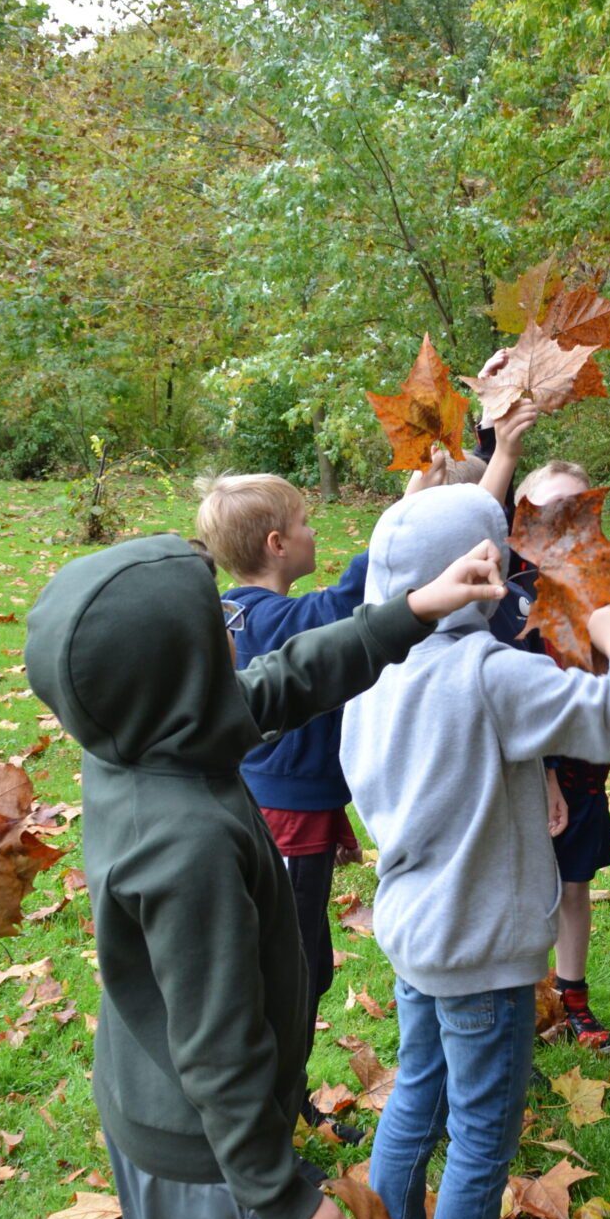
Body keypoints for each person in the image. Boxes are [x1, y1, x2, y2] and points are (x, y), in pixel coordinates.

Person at [24, 529, 503, 1219]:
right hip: (207, 1140)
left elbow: (284, 682)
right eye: (210, 628)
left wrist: (411, 609)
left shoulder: (143, 742)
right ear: (181, 667)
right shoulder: (185, 836)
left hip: (142, 1109)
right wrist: (281, 1195)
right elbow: (220, 1045)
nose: (232, 635)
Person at [340, 485, 610, 1219]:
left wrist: (524, 779)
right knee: (482, 1138)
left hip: (415, 928)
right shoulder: (489, 676)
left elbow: (447, 769)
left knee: (417, 1091)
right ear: (480, 574)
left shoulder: (370, 669)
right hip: (480, 944)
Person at [195, 474, 369, 1140]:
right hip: (287, 829)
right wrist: (421, 494)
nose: (313, 532)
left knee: (306, 964)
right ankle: (269, 1129)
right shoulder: (285, 620)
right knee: (289, 978)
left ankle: (288, 1103)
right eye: (304, 522)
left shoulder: (234, 613)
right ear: (276, 544)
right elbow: (363, 585)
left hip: (291, 815)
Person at [509, 458, 610, 1051]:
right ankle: (525, 999)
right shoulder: (507, 583)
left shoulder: (601, 581)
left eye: (578, 507)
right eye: (549, 508)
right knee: (524, 884)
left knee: (574, 884)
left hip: (582, 767)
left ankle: (571, 996)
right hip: (523, 765)